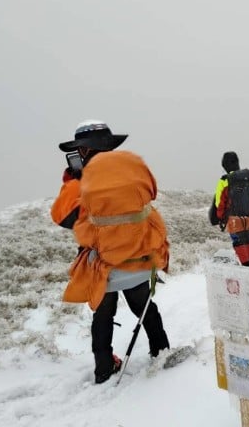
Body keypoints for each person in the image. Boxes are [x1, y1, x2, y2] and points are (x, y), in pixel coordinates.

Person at [55, 120, 170, 385]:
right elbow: (150, 193)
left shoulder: (82, 181)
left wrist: (73, 181)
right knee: (145, 307)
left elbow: (63, 217)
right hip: (139, 260)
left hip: (105, 266)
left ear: (83, 152)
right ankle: (161, 350)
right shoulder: (135, 167)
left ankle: (104, 368)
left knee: (103, 315)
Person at [213, 151, 249, 267]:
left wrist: (220, 217)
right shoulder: (247, 178)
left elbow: (219, 202)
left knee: (238, 241)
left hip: (233, 218)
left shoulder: (224, 180)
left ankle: (246, 266)